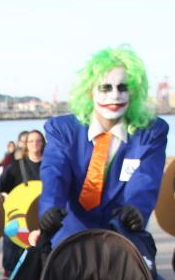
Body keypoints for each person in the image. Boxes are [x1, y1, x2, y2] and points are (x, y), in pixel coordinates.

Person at [38, 47, 168, 249]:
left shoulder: (150, 132)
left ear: (133, 92)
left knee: (144, 279)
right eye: (105, 88)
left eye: (123, 87)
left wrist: (136, 209)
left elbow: (146, 178)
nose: (115, 95)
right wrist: (50, 209)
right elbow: (55, 173)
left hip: (124, 235)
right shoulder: (63, 130)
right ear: (90, 92)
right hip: (71, 237)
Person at [0, 129, 46, 280]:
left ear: (43, 143)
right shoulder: (16, 166)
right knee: (12, 242)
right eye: (31, 141)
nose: (34, 144)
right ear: (26, 145)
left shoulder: (49, 165)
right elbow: (1, 187)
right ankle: (10, 271)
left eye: (38, 140)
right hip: (19, 217)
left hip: (43, 214)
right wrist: (4, 195)